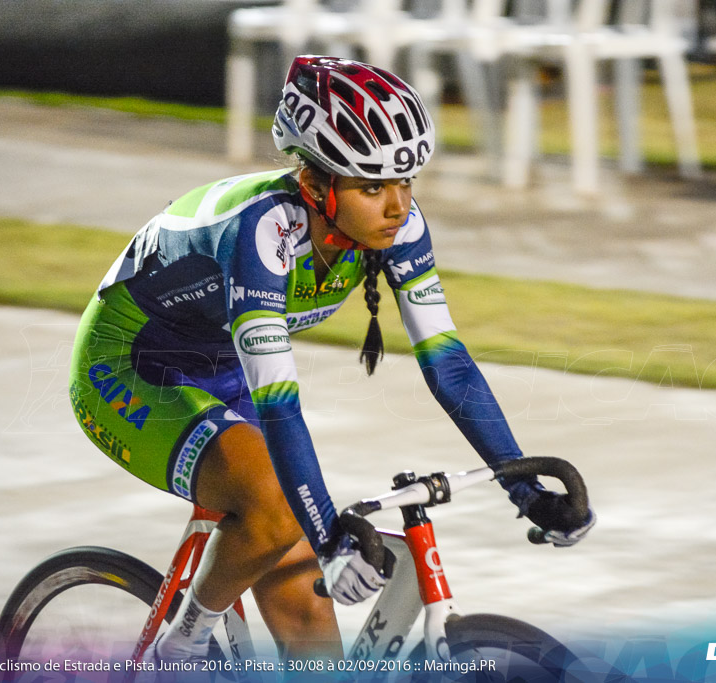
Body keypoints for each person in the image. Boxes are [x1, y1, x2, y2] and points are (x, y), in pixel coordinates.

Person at [68, 55, 595, 663]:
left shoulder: (395, 226)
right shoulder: (264, 232)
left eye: (406, 182)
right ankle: (178, 648)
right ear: (318, 188)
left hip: (221, 361)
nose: (397, 206)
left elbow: (448, 365)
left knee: (311, 628)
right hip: (133, 365)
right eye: (373, 187)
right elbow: (280, 405)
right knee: (271, 505)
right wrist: (329, 542)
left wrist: (526, 490)